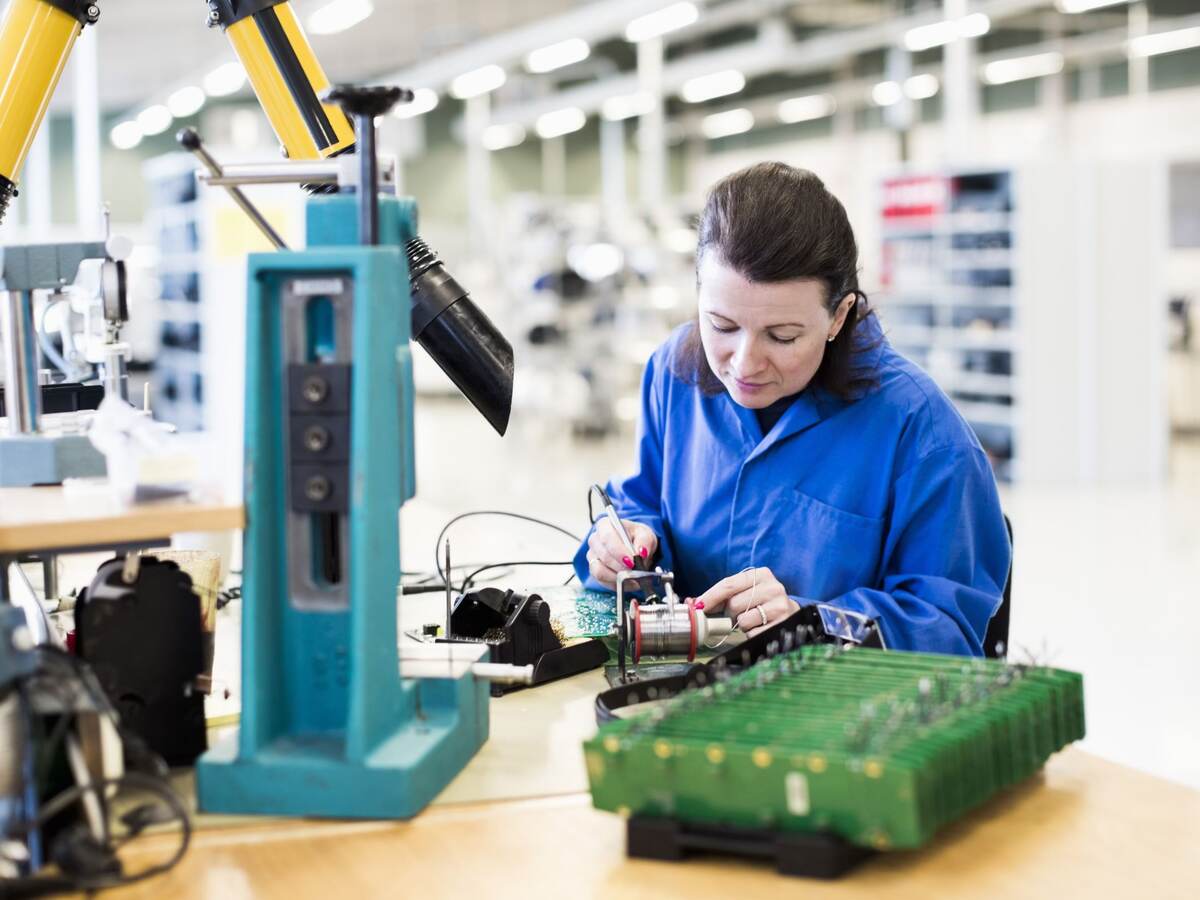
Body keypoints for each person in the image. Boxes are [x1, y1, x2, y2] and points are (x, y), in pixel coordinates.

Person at [573, 162, 1010, 656]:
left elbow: (948, 627)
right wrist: (629, 542)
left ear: (838, 316)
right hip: (684, 684)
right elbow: (645, 499)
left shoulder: (922, 433)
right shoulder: (674, 372)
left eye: (782, 337)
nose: (744, 363)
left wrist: (816, 625)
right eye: (721, 324)